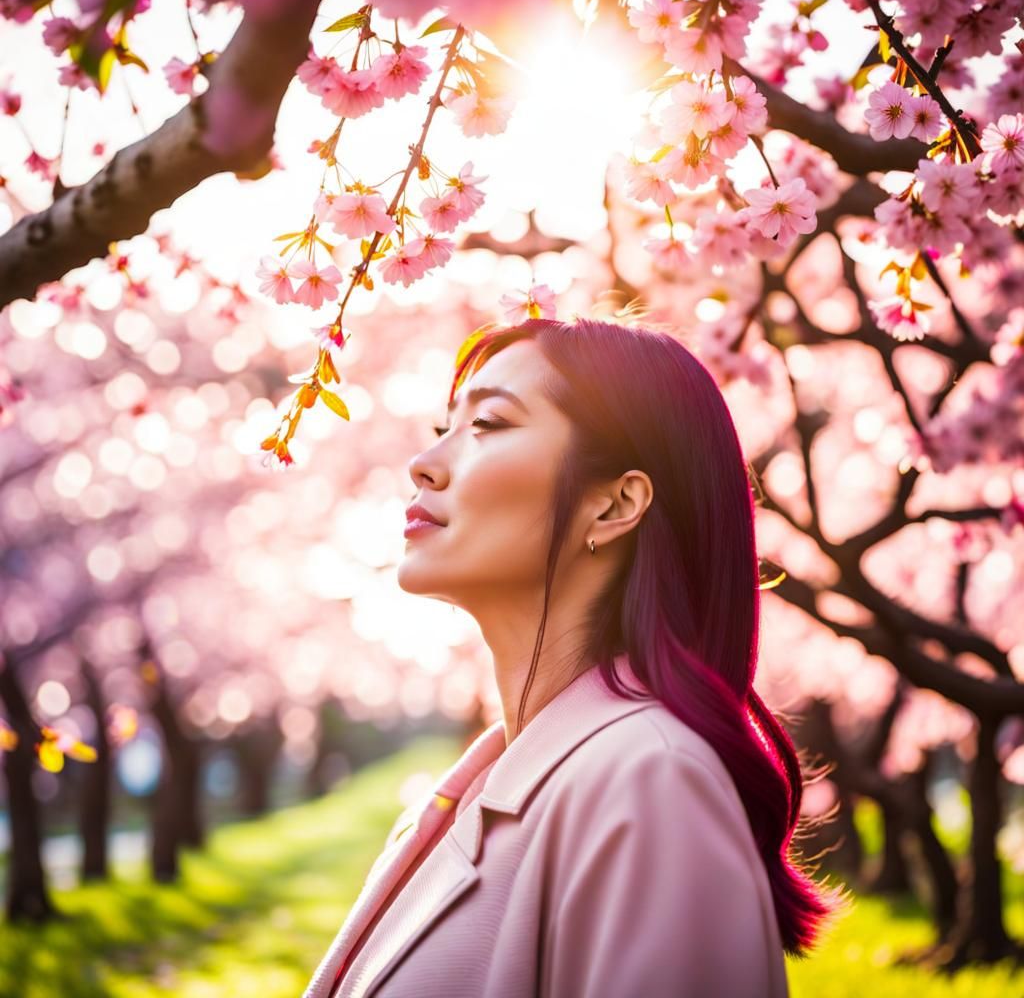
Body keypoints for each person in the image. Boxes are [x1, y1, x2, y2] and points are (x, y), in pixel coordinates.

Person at [303, 315, 849, 998]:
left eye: (489, 426)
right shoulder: (478, 791)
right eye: (443, 427)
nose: (425, 463)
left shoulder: (651, 782)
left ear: (615, 504)